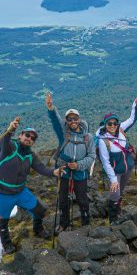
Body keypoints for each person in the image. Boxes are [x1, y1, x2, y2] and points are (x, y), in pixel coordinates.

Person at [0, 116, 63, 254]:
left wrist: (54, 172)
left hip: (20, 192)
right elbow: (4, 141)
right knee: (3, 222)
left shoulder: (31, 156)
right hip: (2, 193)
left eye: (32, 138)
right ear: (20, 135)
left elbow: (41, 168)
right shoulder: (10, 147)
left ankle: (38, 229)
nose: (29, 138)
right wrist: (10, 130)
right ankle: (7, 244)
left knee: (39, 210)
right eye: (27, 135)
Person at [45, 91, 95, 231]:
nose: (73, 121)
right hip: (64, 170)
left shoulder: (88, 137)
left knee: (82, 198)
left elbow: (91, 156)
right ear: (66, 121)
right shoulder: (63, 135)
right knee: (63, 199)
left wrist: (78, 165)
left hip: (80, 172)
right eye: (70, 119)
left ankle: (86, 222)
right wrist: (51, 108)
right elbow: (55, 122)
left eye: (75, 118)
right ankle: (63, 222)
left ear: (79, 119)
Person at [95, 94, 137, 224]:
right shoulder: (103, 140)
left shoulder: (121, 130)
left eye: (114, 123)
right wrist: (113, 179)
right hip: (115, 171)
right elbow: (105, 162)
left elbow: (132, 119)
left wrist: (135, 105)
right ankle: (113, 218)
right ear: (105, 125)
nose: (112, 125)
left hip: (127, 168)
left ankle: (118, 209)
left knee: (120, 191)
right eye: (109, 123)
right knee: (115, 194)